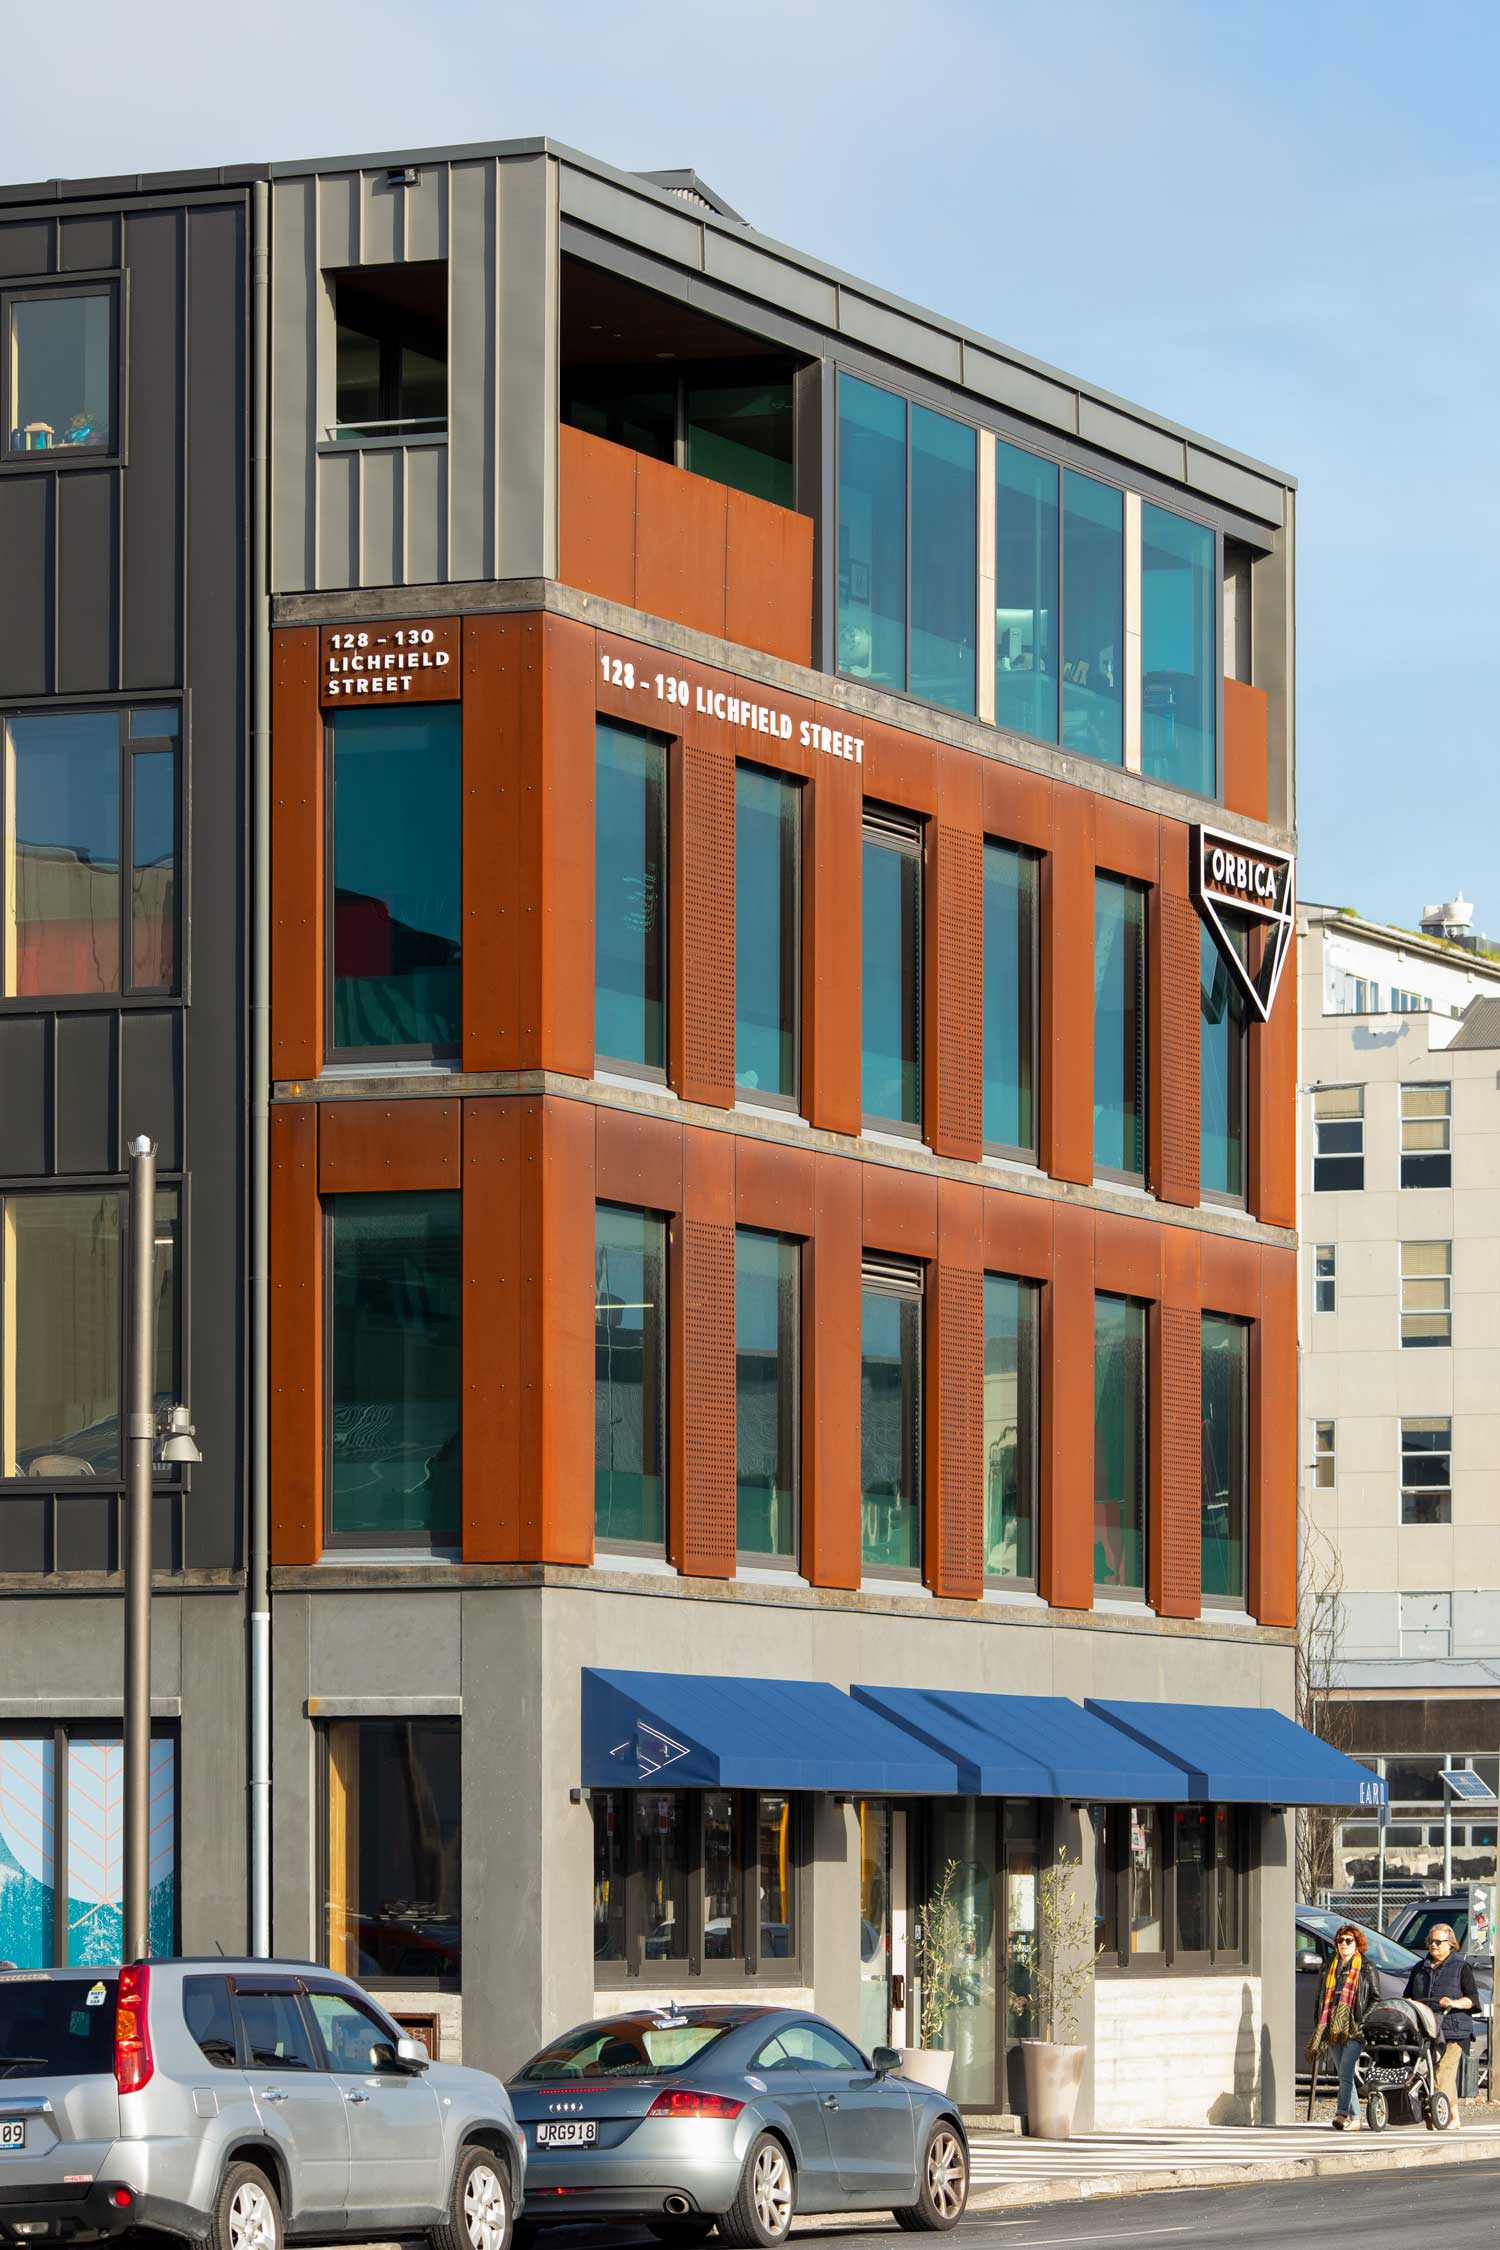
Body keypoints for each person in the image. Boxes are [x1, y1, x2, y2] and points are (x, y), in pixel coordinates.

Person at [1405, 1922, 1479, 2126]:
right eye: (1430, 1941)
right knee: (1429, 2072)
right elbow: (1408, 1996)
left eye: (1438, 1942)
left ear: (1450, 1944)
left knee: (1443, 2072)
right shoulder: (1420, 1968)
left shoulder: (1461, 1967)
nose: (1433, 1946)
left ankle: (1443, 2115)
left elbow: (1472, 1999)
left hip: (1453, 2030)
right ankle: (1453, 2116)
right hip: (1427, 2029)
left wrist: (1454, 2002)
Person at [1307, 1924, 1377, 2127]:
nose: (1344, 1944)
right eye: (1340, 1940)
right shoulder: (1329, 1967)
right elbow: (1320, 1998)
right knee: (1342, 2074)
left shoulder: (1366, 1967)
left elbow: (1375, 1997)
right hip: (1331, 2027)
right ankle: (1344, 2115)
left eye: (1348, 1940)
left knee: (1346, 2071)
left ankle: (1350, 2117)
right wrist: (1319, 2024)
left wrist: (1362, 2021)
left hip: (1354, 2028)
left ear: (1357, 1944)